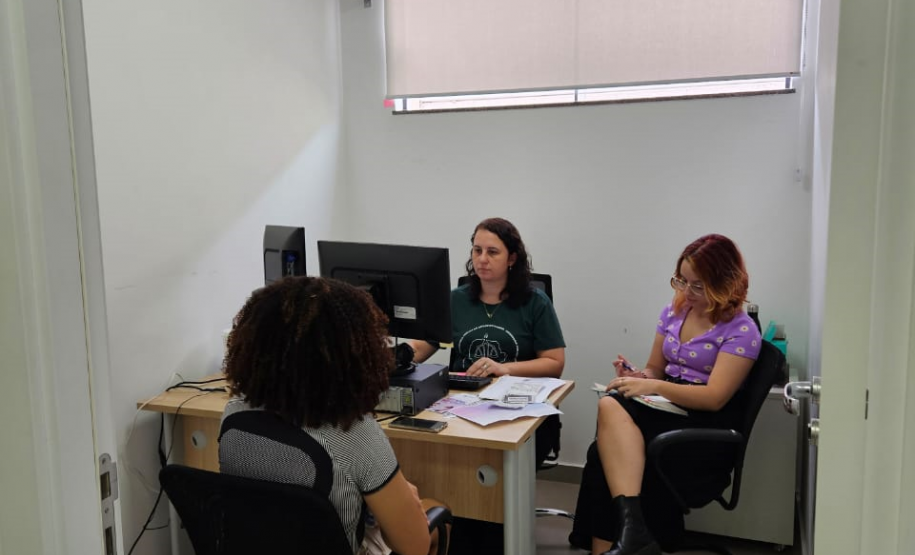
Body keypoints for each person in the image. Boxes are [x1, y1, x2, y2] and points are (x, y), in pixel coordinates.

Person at [219, 276, 448, 555]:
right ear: (353, 354)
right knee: (438, 512)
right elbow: (414, 547)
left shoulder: (234, 414)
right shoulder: (353, 432)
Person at [570, 234, 762, 555]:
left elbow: (714, 397)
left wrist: (654, 387)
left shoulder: (742, 331)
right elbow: (655, 369)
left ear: (724, 283)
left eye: (698, 285)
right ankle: (628, 535)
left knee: (604, 444)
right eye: (682, 281)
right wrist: (639, 378)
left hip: (705, 424)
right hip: (668, 406)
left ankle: (623, 538)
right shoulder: (674, 312)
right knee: (610, 419)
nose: (687, 292)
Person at [410, 217, 565, 379]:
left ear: (511, 259)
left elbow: (554, 363)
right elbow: (420, 347)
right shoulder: (455, 300)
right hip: (464, 390)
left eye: (492, 252)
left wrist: (504, 368)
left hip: (515, 390)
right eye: (477, 250)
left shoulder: (536, 302)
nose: (482, 259)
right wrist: (395, 355)